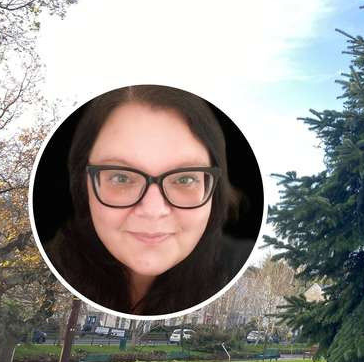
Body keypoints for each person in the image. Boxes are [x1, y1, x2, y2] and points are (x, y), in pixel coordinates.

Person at [45, 85, 255, 315]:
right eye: (121, 177)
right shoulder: (47, 272)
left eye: (184, 179)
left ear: (214, 190)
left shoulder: (238, 269)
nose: (153, 210)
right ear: (83, 185)